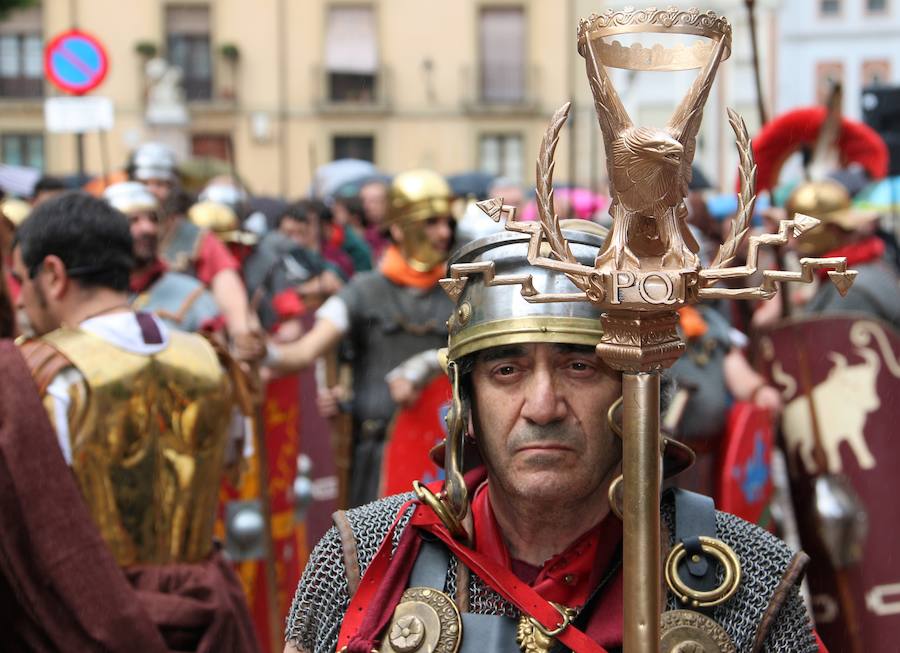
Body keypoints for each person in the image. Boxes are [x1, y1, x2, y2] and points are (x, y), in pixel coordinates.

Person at [283, 226, 822, 653]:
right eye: (506, 371)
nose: (542, 407)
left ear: (638, 393)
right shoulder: (365, 559)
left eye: (580, 366)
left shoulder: (751, 580)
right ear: (466, 401)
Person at [8, 191, 259, 652]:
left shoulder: (40, 374)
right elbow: (231, 465)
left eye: (21, 279)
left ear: (53, 275)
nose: (20, 298)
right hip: (207, 613)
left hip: (87, 619)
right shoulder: (212, 361)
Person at [256, 170, 456, 507]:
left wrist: (424, 366)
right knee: (372, 554)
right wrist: (262, 351)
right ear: (398, 227)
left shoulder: (458, 292)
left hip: (445, 457)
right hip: (376, 453)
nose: (443, 232)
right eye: (431, 222)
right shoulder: (364, 290)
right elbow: (303, 353)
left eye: (447, 222)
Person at [128, 142, 257, 345]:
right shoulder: (112, 237)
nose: (151, 191)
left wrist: (241, 332)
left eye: (160, 184)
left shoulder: (197, 239)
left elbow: (228, 290)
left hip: (184, 342)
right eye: (143, 183)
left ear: (173, 188)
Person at [103, 181, 222, 333]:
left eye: (153, 219)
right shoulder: (88, 294)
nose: (148, 228)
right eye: (133, 220)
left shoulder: (192, 295)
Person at [786, 179, 900, 329]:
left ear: (831, 230)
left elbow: (829, 346)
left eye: (795, 232)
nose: (789, 243)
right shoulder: (868, 266)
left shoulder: (848, 288)